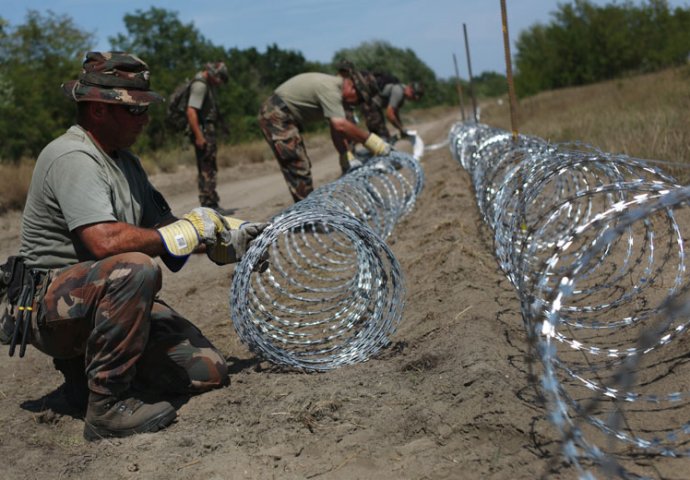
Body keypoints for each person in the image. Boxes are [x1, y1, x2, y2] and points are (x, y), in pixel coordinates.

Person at [9, 52, 266, 441]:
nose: (144, 119)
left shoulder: (126, 161)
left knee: (207, 371)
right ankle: (107, 405)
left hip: (102, 298)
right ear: (97, 110)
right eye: (133, 111)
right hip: (52, 306)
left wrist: (220, 232)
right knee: (136, 267)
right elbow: (103, 241)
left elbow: (164, 227)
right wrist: (183, 235)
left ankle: (83, 382)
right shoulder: (72, 156)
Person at [257, 68, 392, 203]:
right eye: (359, 99)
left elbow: (336, 129)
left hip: (281, 114)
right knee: (298, 165)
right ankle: (307, 215)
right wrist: (375, 143)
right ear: (352, 87)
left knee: (299, 165)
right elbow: (340, 125)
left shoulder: (333, 88)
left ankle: (308, 211)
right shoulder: (331, 90)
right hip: (276, 115)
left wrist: (345, 155)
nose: (355, 104)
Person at [186, 61, 231, 213]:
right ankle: (209, 206)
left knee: (209, 168)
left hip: (207, 131)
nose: (219, 83)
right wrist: (199, 136)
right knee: (206, 169)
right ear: (214, 75)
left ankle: (211, 203)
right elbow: (191, 111)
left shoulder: (206, 84)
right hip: (203, 132)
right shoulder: (201, 86)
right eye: (219, 79)